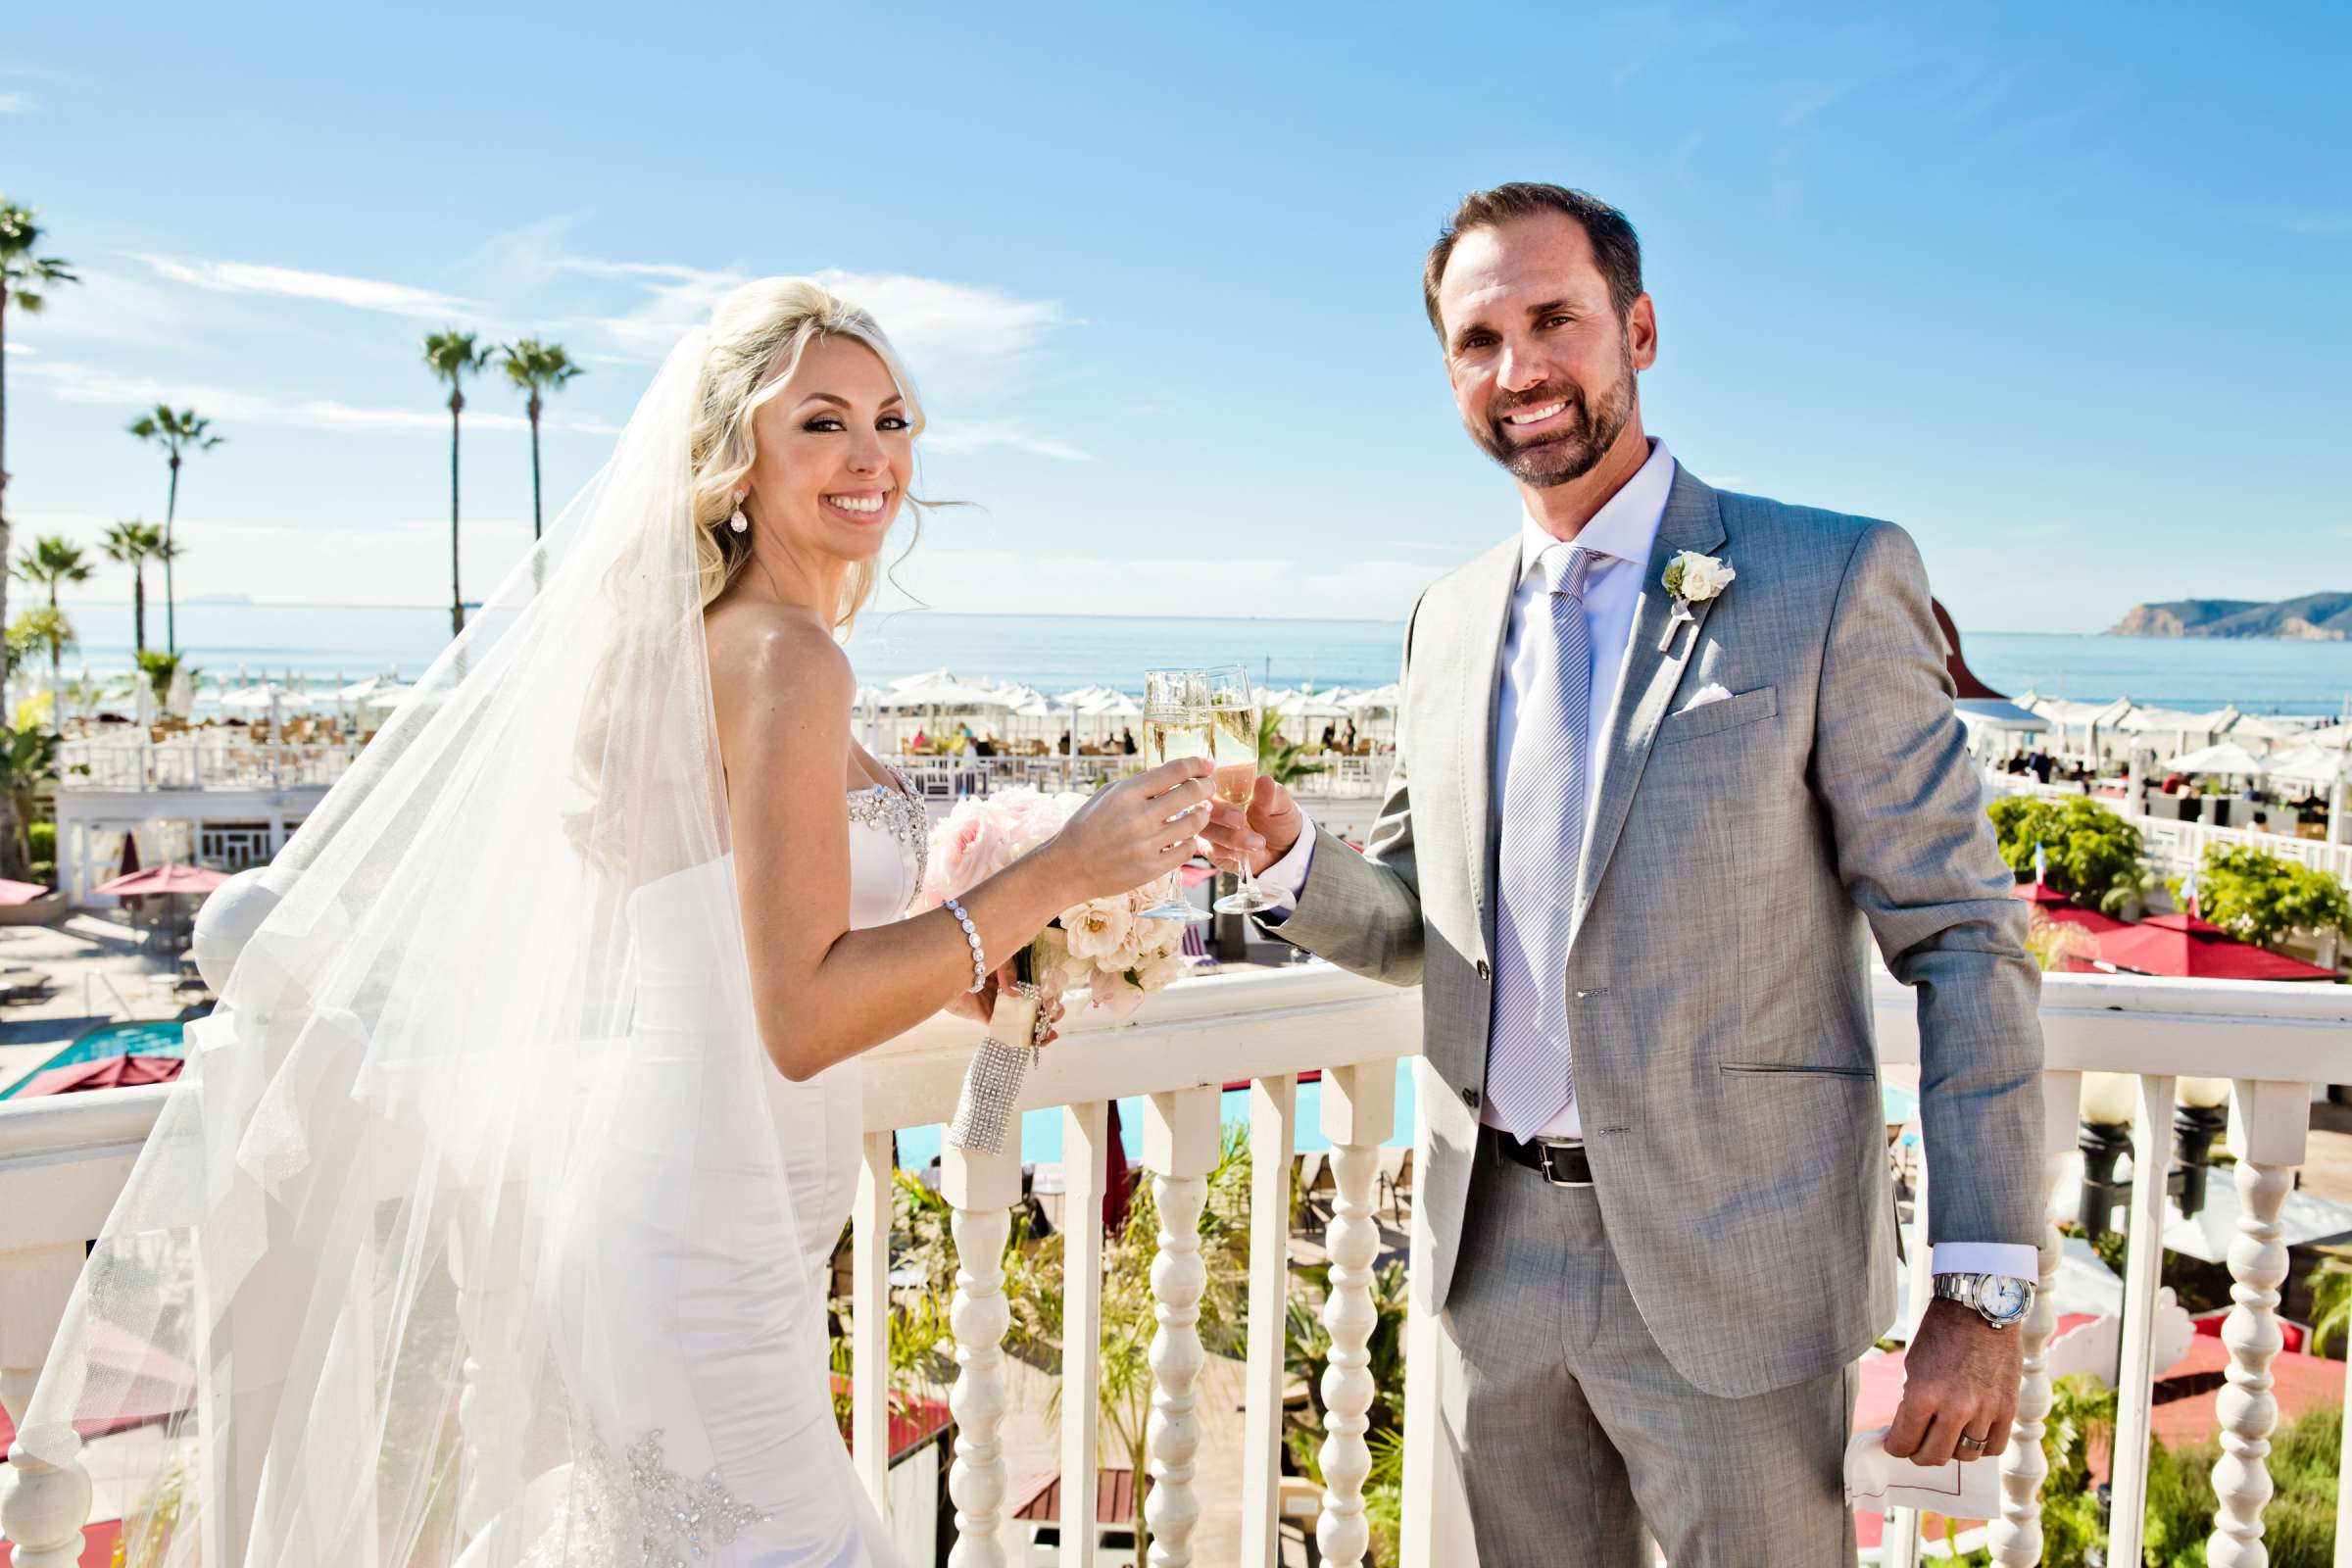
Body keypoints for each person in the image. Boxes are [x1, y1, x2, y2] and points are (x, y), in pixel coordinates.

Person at [19, 279, 1215, 1567]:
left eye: (892, 417)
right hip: (709, 1245)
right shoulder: (790, 660)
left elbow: (736, 952)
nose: (872, 455)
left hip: (692, 1217)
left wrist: (982, 968)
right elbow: (801, 1017)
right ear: (735, 457)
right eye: (821, 422)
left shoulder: (715, 647)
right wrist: (1050, 876)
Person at [1200, 184, 2041, 1565]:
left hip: (1736, 1273)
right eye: (1478, 341)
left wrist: (1982, 1289)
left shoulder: (1827, 578)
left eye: (1554, 321)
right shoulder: (1447, 618)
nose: (1519, 370)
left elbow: (1963, 941)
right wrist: (1286, 857)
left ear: (1637, 329)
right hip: (1494, 1262)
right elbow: (1430, 930)